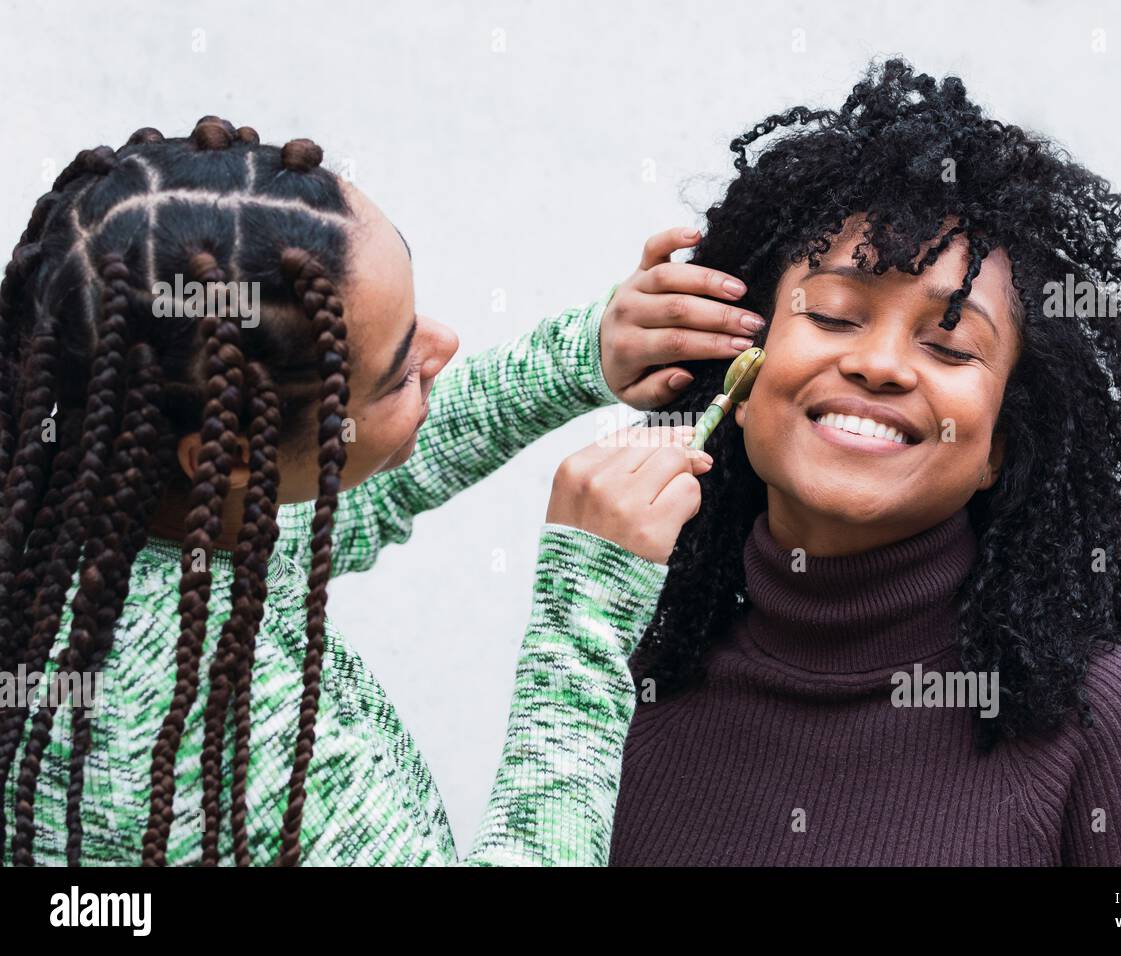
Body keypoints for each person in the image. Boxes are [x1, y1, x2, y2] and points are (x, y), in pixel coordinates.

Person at [0, 115, 765, 865]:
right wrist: (585, 615)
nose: (446, 344)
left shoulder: (88, 523)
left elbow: (345, 491)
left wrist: (579, 354)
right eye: (400, 369)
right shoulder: (212, 723)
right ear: (227, 457)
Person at [609, 59, 1121, 866]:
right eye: (833, 315)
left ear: (999, 446)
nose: (881, 365)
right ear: (741, 365)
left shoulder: (1103, 723)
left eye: (948, 343)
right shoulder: (632, 690)